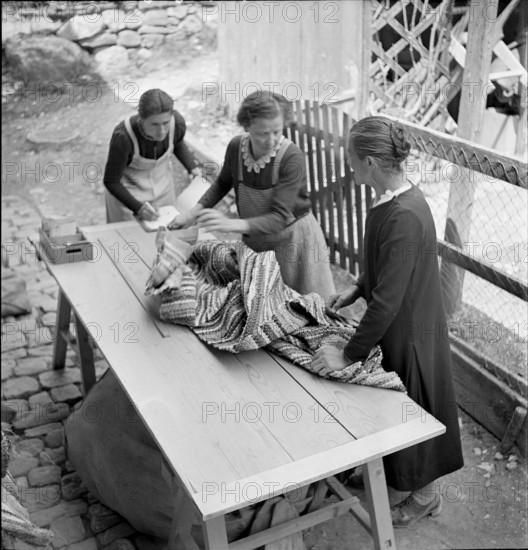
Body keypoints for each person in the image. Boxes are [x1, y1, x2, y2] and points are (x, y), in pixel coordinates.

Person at [311, 116, 464, 527]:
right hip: (400, 322)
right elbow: (385, 267)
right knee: (390, 403)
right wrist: (357, 288)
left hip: (411, 331)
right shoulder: (389, 201)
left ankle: (425, 495)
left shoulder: (404, 215)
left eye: (351, 159)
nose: (348, 165)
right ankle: (386, 471)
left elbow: (388, 303)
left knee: (416, 410)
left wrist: (348, 353)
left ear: (372, 164)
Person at [168, 90, 335, 300]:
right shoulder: (237, 147)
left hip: (295, 242)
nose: (271, 139)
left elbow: (279, 218)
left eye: (277, 131)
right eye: (263, 133)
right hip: (258, 240)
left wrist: (231, 225)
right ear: (247, 126)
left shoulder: (291, 158)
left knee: (309, 304)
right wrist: (191, 214)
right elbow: (222, 184)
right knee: (266, 304)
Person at [103, 88, 201, 223]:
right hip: (128, 195)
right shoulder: (124, 137)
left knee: (165, 235)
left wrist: (192, 167)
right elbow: (111, 181)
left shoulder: (176, 124)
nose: (161, 131)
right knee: (129, 239)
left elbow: (177, 144)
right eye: (154, 124)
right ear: (141, 119)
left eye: (165, 123)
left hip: (163, 190)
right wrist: (138, 208)